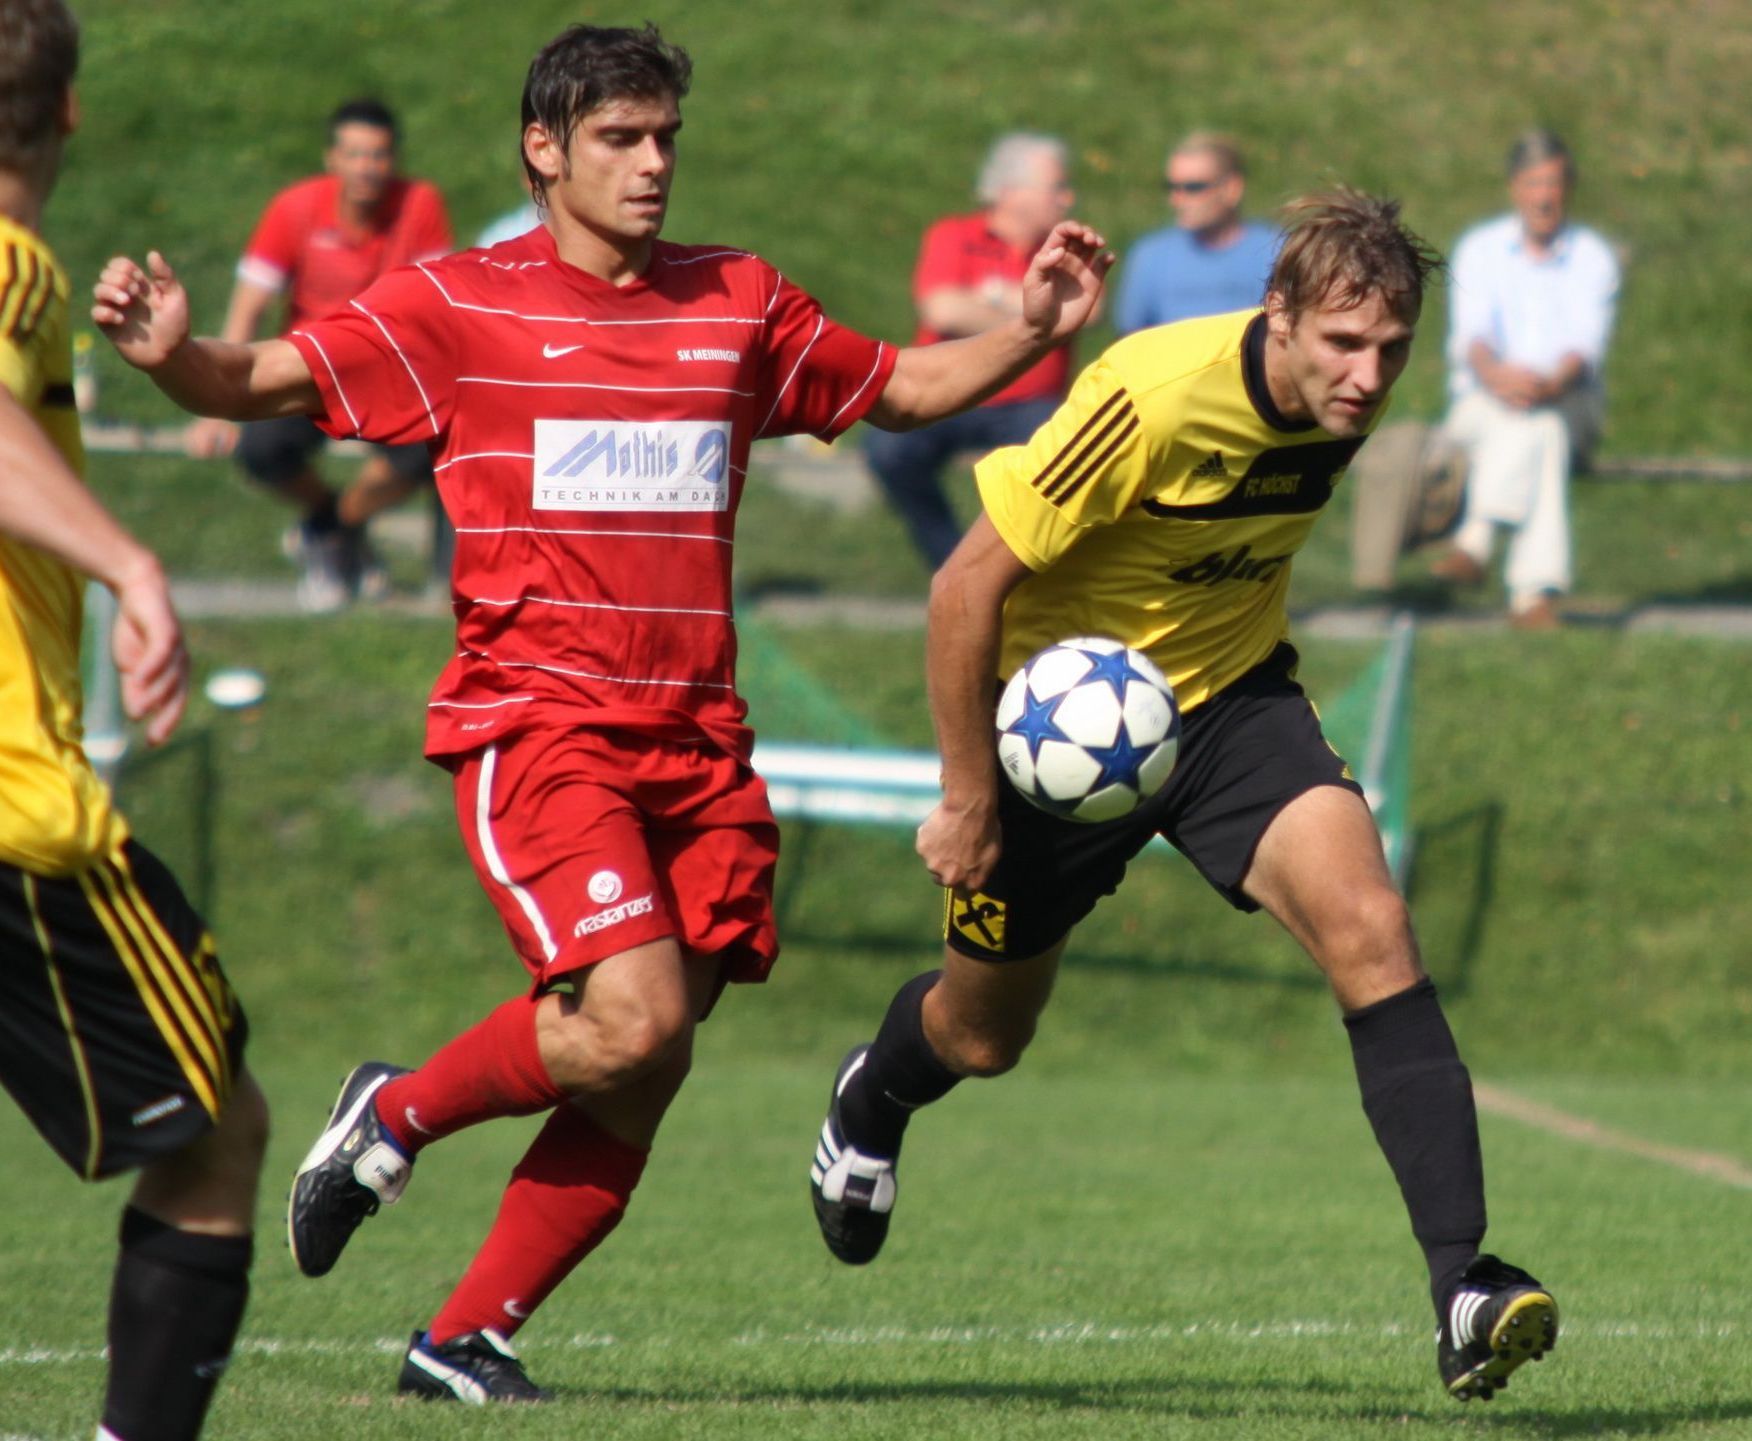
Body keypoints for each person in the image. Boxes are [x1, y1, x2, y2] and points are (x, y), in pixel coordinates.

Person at [95, 21, 1109, 1405]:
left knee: (649, 1057)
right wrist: (171, 356)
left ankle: (463, 1339)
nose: (650, 165)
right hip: (539, 725)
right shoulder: (456, 302)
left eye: (665, 139)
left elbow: (906, 386)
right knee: (628, 1019)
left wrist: (1036, 330)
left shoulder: (736, 299)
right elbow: (257, 379)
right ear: (545, 148)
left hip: (697, 742)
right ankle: (389, 1117)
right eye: (621, 139)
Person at [807, 189, 1560, 1404]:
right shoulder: (1146, 395)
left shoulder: (1340, 407)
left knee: (1372, 931)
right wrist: (966, 796)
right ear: (1278, 317)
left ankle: (1463, 1287)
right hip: (1058, 731)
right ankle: (877, 1088)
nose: (1368, 377)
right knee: (982, 1035)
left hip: (1228, 709)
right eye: (1342, 345)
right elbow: (962, 589)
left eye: (1390, 350)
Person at [0, 5, 268, 1439]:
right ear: (73, 116)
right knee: (218, 1135)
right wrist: (132, 562)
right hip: (14, 816)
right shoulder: (12, 260)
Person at [186, 98, 454, 611]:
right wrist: (217, 402)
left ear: (393, 160)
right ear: (332, 159)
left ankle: (334, 529)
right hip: (306, 367)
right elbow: (248, 308)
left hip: (388, 372)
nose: (366, 169)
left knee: (426, 450)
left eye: (377, 156)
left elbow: (435, 310)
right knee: (260, 449)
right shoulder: (295, 208)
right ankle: (336, 529)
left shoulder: (420, 205)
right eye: (354, 155)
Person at [1429, 129, 1620, 628]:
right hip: (1484, 404)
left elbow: (1585, 347)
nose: (1544, 196)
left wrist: (1548, 385)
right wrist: (1499, 378)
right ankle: (1533, 598)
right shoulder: (1480, 249)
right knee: (1542, 433)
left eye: (1554, 184)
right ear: (1515, 188)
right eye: (1535, 183)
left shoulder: (1592, 256)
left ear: (1568, 190)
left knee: (1547, 423)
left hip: (1567, 399)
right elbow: (1471, 338)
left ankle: (1477, 541)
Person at [864, 133, 1079, 569]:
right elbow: (942, 309)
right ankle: (951, 562)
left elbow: (1081, 311)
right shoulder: (954, 236)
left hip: (1030, 405)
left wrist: (988, 304)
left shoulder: (1066, 246)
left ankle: (1026, 571)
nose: (1067, 198)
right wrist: (1035, 315)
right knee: (888, 449)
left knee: (1067, 464)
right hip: (953, 392)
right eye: (1056, 187)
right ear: (1011, 192)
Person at [1113, 132, 1284, 336]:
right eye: (1171, 187)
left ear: (1232, 189)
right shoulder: (1150, 257)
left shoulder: (1275, 251)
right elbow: (1130, 340)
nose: (1177, 200)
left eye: (1193, 188)